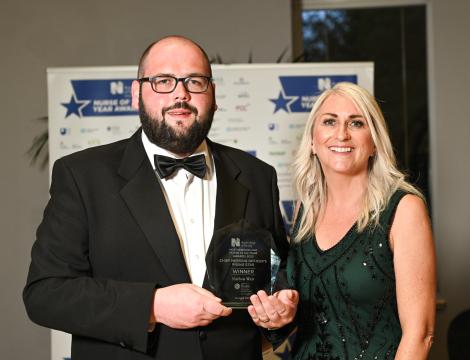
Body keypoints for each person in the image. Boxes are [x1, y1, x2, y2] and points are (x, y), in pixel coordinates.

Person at [23, 35, 297, 360]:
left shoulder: (256, 175)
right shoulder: (82, 175)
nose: (180, 94)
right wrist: (153, 306)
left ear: (213, 95)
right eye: (163, 81)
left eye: (194, 81)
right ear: (136, 94)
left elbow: (276, 275)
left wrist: (279, 312)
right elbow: (46, 294)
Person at [287, 82, 436, 359]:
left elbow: (420, 334)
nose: (341, 134)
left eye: (356, 123)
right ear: (312, 141)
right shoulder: (304, 212)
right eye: (330, 121)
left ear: (375, 143)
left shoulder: (403, 209)